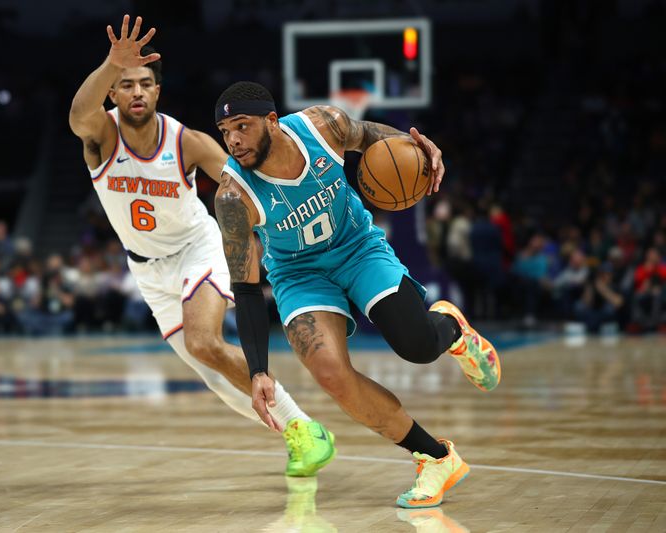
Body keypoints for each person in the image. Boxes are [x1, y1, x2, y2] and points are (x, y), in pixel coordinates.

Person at [68, 15, 335, 476]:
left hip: (198, 247)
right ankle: (300, 431)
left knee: (204, 342)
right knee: (215, 378)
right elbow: (76, 115)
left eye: (144, 84)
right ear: (112, 92)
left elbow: (247, 180)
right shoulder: (101, 137)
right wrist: (111, 62)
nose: (135, 92)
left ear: (156, 92)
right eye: (125, 84)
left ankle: (304, 429)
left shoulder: (186, 141)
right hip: (147, 270)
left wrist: (295, 209)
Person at [213, 81, 501, 508]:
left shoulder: (323, 126)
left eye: (242, 125)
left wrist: (420, 149)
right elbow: (247, 287)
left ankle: (452, 329)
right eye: (225, 131)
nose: (234, 139)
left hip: (356, 247)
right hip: (298, 273)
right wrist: (258, 370)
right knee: (330, 373)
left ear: (272, 120)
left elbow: (372, 137)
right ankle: (436, 457)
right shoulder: (233, 197)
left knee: (418, 348)